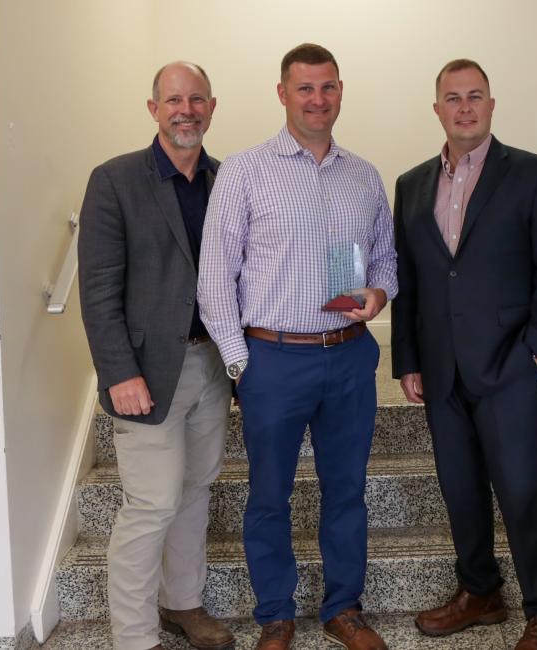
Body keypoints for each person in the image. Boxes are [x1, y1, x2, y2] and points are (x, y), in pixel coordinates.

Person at [197, 43, 397, 650]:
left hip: (348, 352)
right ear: (282, 94)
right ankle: (276, 614)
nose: (318, 99)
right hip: (272, 360)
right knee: (268, 495)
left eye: (328, 87)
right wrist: (239, 364)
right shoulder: (243, 170)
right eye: (305, 88)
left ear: (341, 92)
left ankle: (343, 607)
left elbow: (386, 258)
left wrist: (378, 294)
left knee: (347, 488)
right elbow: (214, 279)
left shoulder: (364, 176)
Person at [391, 59, 537, 650]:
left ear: (492, 105)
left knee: (522, 490)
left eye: (475, 96)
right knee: (460, 488)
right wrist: (407, 358)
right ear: (438, 109)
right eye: (453, 98)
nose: (465, 107)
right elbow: (411, 278)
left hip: (508, 364)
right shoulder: (412, 184)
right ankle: (480, 592)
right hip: (441, 369)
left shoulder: (533, 174)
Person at [78, 62, 234, 650]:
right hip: (145, 374)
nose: (185, 110)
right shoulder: (114, 180)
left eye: (196, 99)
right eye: (173, 100)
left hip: (212, 367)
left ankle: (183, 603)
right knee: (150, 504)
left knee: (196, 490)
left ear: (212, 107)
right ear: (153, 109)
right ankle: (135, 636)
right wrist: (118, 372)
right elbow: (97, 289)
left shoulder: (227, 179)